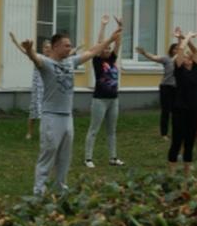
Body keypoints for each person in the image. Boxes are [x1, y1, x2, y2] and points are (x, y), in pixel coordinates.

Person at [14, 25, 121, 196]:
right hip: (51, 117)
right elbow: (35, 58)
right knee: (48, 154)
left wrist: (110, 39)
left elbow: (92, 52)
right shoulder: (47, 63)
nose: (69, 48)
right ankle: (39, 190)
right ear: (55, 46)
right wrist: (29, 50)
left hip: (67, 117)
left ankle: (60, 187)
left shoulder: (71, 62)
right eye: (66, 45)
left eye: (70, 45)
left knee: (65, 156)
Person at [168, 28, 197, 174]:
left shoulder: (195, 69)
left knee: (190, 141)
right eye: (186, 57)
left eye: (189, 57)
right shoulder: (179, 70)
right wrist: (185, 37)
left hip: (193, 109)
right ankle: (172, 172)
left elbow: (196, 52)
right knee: (176, 141)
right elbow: (181, 49)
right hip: (180, 109)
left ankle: (187, 171)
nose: (188, 57)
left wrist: (189, 40)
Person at [83, 15, 124, 168]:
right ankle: (88, 158)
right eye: (105, 48)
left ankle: (113, 158)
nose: (107, 50)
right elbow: (100, 43)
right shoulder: (97, 61)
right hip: (99, 100)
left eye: (108, 48)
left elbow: (118, 42)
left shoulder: (112, 59)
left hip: (114, 99)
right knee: (94, 129)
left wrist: (120, 27)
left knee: (111, 130)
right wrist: (103, 26)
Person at [136, 41, 178, 141]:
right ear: (171, 50)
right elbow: (154, 57)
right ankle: (164, 134)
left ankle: (176, 132)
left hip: (177, 88)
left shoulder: (183, 60)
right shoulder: (166, 59)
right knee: (166, 111)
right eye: (175, 48)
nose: (176, 50)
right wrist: (144, 53)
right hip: (166, 87)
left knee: (176, 111)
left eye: (178, 48)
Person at [12, 36, 53, 140]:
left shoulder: (53, 61)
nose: (47, 49)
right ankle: (29, 132)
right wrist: (15, 41)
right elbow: (25, 51)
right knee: (33, 112)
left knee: (48, 113)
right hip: (37, 89)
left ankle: (46, 133)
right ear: (42, 49)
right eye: (45, 47)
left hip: (48, 90)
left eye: (50, 47)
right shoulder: (38, 56)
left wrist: (77, 49)